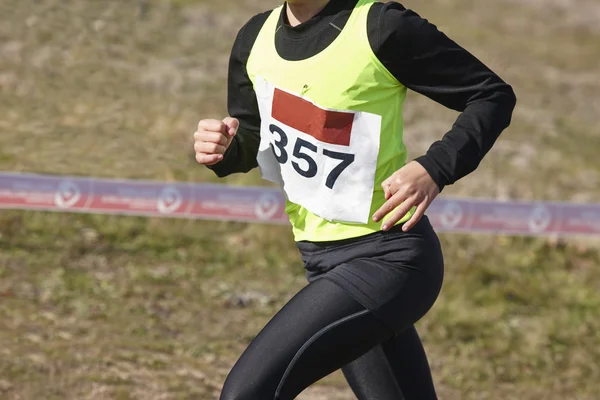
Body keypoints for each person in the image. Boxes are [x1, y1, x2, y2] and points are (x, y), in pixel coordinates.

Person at [193, 0, 516, 398]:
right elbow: (253, 137)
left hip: (388, 259)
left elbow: (491, 95)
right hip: (321, 262)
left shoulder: (381, 27)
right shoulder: (254, 38)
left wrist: (436, 167)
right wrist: (223, 148)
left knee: (246, 393)